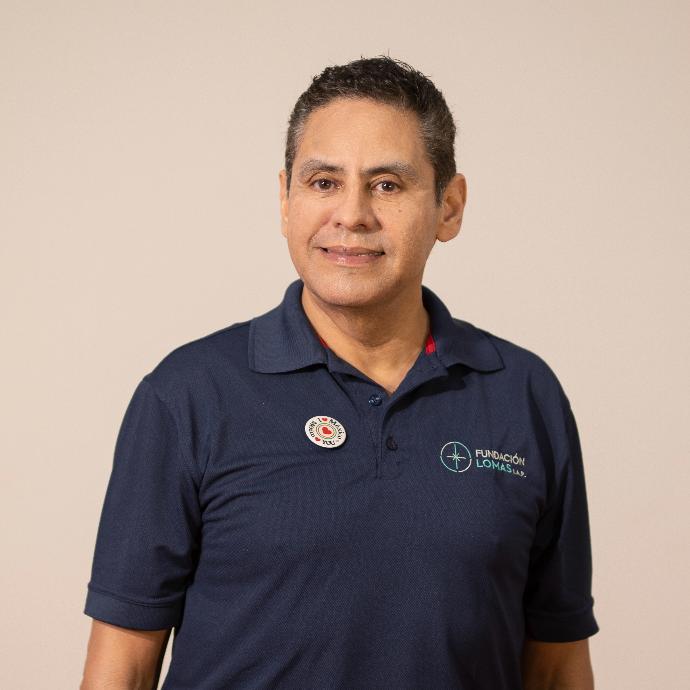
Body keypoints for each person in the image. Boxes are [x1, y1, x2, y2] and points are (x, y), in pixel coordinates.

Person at [80, 56, 599, 689]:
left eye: (387, 185)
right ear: (286, 199)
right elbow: (120, 669)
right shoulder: (187, 395)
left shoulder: (524, 395)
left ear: (449, 206)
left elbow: (558, 666)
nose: (351, 214)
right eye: (324, 182)